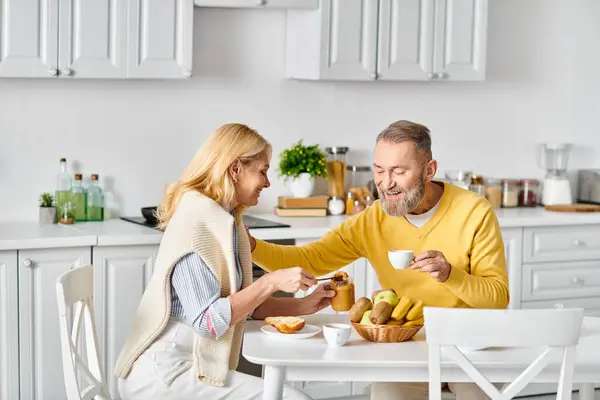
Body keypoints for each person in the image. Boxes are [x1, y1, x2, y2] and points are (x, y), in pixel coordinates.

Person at [248, 120, 509, 400]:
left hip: (469, 345)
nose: (386, 183)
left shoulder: (474, 212)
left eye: (399, 171)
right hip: (404, 346)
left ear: (429, 170)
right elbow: (310, 259)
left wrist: (450, 274)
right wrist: (249, 245)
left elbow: (498, 298)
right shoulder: (373, 219)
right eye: (380, 171)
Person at [115, 123, 333, 400]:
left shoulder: (225, 221)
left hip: (188, 362)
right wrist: (270, 281)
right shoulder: (196, 222)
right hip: (165, 373)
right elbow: (207, 321)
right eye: (263, 171)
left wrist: (303, 305)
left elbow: (244, 305)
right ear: (235, 169)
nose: (267, 183)